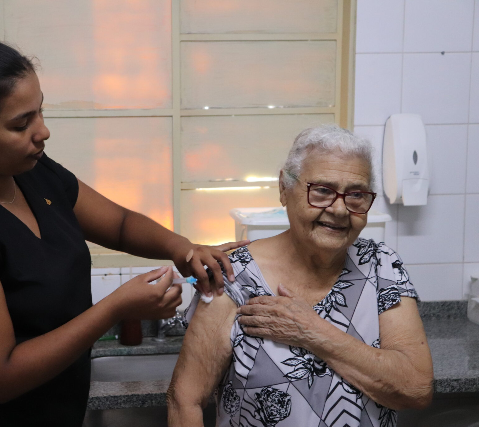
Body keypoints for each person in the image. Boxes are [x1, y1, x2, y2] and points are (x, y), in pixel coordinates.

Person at [0, 38, 246, 426]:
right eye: (21, 124)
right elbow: (0, 375)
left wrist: (184, 248)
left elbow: (120, 225)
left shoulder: (35, 175)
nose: (43, 132)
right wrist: (116, 308)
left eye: (39, 111)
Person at [167, 125, 433, 427]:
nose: (340, 209)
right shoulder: (233, 274)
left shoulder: (382, 266)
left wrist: (313, 332)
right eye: (321, 191)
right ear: (284, 188)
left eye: (356, 194)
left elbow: (416, 388)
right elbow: (184, 400)